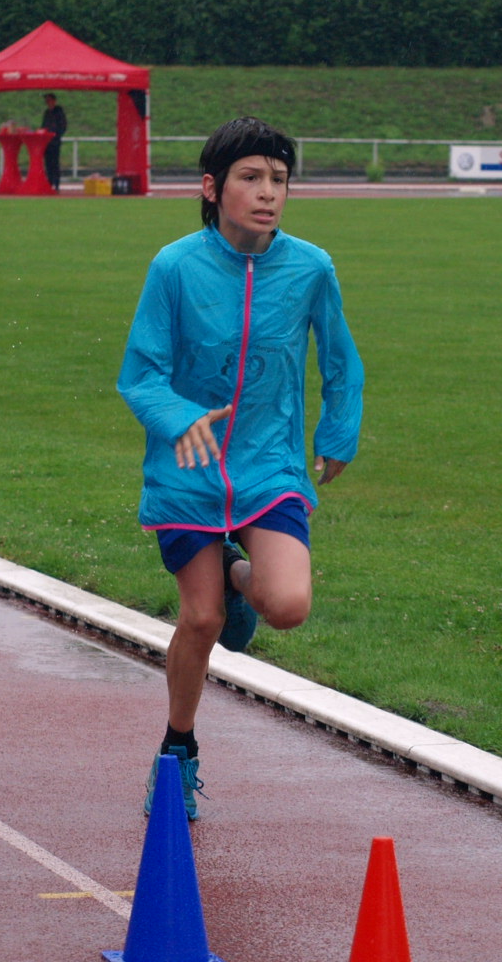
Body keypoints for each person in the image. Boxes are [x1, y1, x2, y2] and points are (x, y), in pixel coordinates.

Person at [117, 116, 364, 819]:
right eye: (250, 178)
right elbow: (141, 374)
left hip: (268, 465)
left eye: (278, 180)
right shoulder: (174, 268)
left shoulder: (311, 268)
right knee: (201, 620)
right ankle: (178, 749)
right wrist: (178, 418)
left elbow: (341, 361)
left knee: (287, 606)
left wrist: (338, 431)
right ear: (211, 187)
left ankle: (236, 572)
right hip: (188, 470)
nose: (267, 193)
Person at [40, 92, 67, 191]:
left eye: (49, 100)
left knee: (54, 162)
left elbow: (63, 125)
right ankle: (50, 181)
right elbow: (44, 125)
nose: (47, 102)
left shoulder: (59, 111)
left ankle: (56, 183)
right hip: (46, 142)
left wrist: (56, 135)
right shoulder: (47, 113)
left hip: (54, 141)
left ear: (54, 101)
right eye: (46, 101)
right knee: (48, 163)